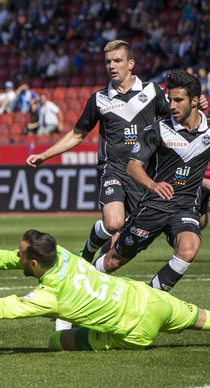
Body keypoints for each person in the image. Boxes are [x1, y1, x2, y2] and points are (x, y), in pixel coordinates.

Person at [26, 40, 206, 266]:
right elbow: (77, 134)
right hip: (114, 170)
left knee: (115, 250)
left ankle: (92, 273)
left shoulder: (152, 92)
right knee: (113, 223)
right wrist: (45, 155)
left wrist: (197, 106)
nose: (112, 66)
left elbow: (177, 117)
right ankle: (85, 255)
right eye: (107, 62)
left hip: (143, 175)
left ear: (131, 63)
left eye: (117, 61)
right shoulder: (98, 99)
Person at [0, 220, 210, 351]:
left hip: (134, 332)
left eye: (20, 255)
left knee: (56, 340)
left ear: (33, 264)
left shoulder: (49, 296)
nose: (16, 256)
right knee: (203, 319)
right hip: (151, 298)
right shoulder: (61, 252)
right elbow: (14, 259)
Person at [93, 69, 210, 293]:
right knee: (113, 261)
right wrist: (153, 185)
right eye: (169, 100)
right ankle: (78, 286)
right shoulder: (157, 130)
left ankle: (151, 302)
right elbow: (132, 166)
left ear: (195, 101)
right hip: (152, 207)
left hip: (185, 208)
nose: (172, 105)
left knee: (188, 248)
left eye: (178, 100)